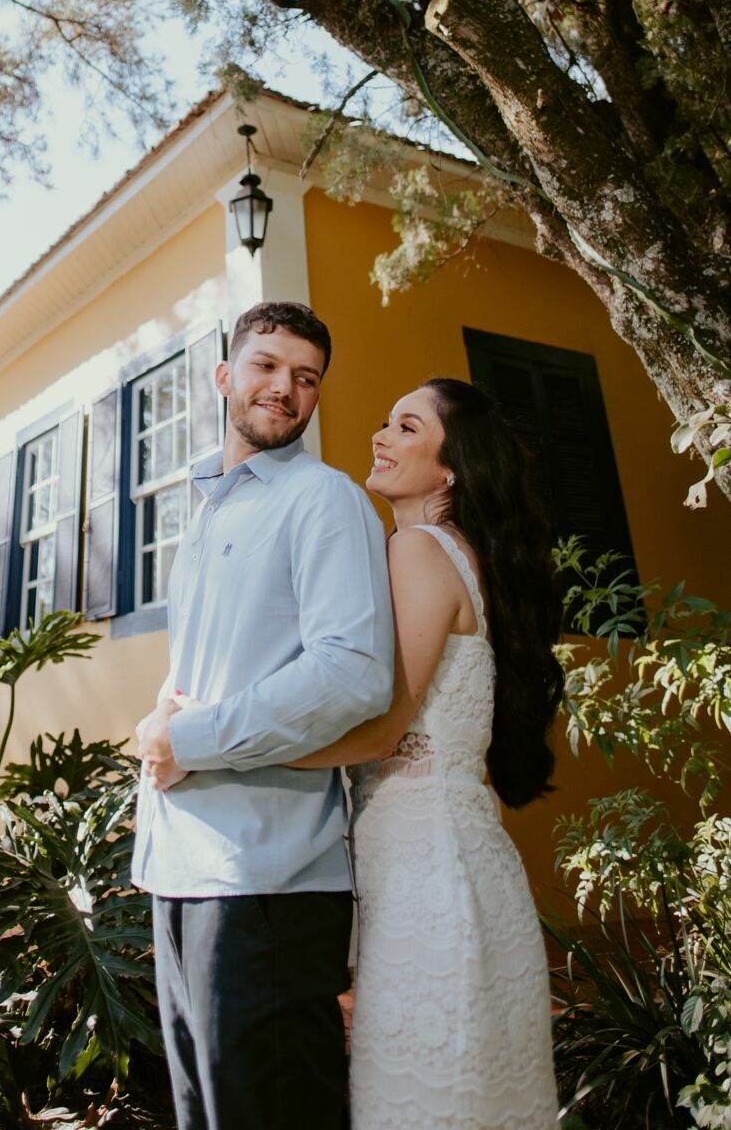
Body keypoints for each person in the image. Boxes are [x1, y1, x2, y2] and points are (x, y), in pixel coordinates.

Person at [133, 301, 394, 1130]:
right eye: (267, 366)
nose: (285, 388)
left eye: (306, 378)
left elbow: (352, 674)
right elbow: (210, 665)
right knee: (202, 1113)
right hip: (178, 867)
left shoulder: (325, 499)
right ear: (224, 376)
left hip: (268, 879)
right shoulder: (206, 515)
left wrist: (192, 740)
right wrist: (158, 724)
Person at [291, 376, 563, 1128]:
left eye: (406, 427)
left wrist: (234, 755)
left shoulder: (417, 548)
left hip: (427, 875)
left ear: (451, 466)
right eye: (385, 421)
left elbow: (382, 730)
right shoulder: (468, 557)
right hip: (465, 863)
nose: (380, 435)